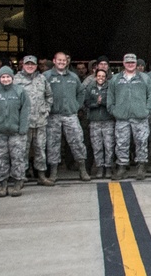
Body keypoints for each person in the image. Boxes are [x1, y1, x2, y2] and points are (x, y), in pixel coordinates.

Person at [106, 53, 151, 180]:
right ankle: (122, 167)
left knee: (141, 142)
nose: (130, 64)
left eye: (132, 62)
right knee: (121, 143)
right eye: (127, 62)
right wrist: (113, 110)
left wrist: (147, 110)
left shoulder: (144, 78)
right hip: (122, 118)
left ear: (136, 64)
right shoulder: (116, 79)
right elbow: (110, 96)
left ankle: (141, 166)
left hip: (140, 117)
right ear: (123, 63)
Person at [0, 65, 30, 197]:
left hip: (16, 133)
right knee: (0, 159)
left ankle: (17, 184)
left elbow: (25, 111)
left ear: (12, 77)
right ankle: (3, 185)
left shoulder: (20, 91)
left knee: (18, 158)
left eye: (8, 76)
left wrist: (23, 128)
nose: (5, 79)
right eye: (3, 77)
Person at [44, 51, 90, 182]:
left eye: (64, 60)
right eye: (59, 60)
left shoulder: (73, 76)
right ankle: (53, 172)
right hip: (53, 116)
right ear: (54, 61)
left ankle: (83, 170)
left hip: (70, 115)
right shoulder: (46, 76)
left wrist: (77, 106)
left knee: (77, 142)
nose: (61, 62)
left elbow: (81, 92)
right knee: (53, 144)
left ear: (67, 62)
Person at [13, 55, 54, 186]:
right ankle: (21, 176)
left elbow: (49, 95)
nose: (30, 66)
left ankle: (41, 175)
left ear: (36, 66)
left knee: (40, 149)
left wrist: (46, 109)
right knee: (22, 150)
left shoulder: (42, 79)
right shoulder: (16, 80)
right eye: (27, 64)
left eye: (32, 64)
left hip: (40, 121)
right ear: (23, 65)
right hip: (24, 122)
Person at [83, 68, 115, 178]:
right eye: (99, 76)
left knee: (109, 145)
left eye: (103, 76)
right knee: (97, 147)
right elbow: (86, 102)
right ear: (95, 76)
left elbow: (113, 101)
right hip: (94, 121)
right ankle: (100, 167)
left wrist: (104, 102)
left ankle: (108, 167)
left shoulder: (110, 87)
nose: (100, 78)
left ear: (106, 78)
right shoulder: (90, 87)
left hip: (108, 121)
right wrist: (96, 103)